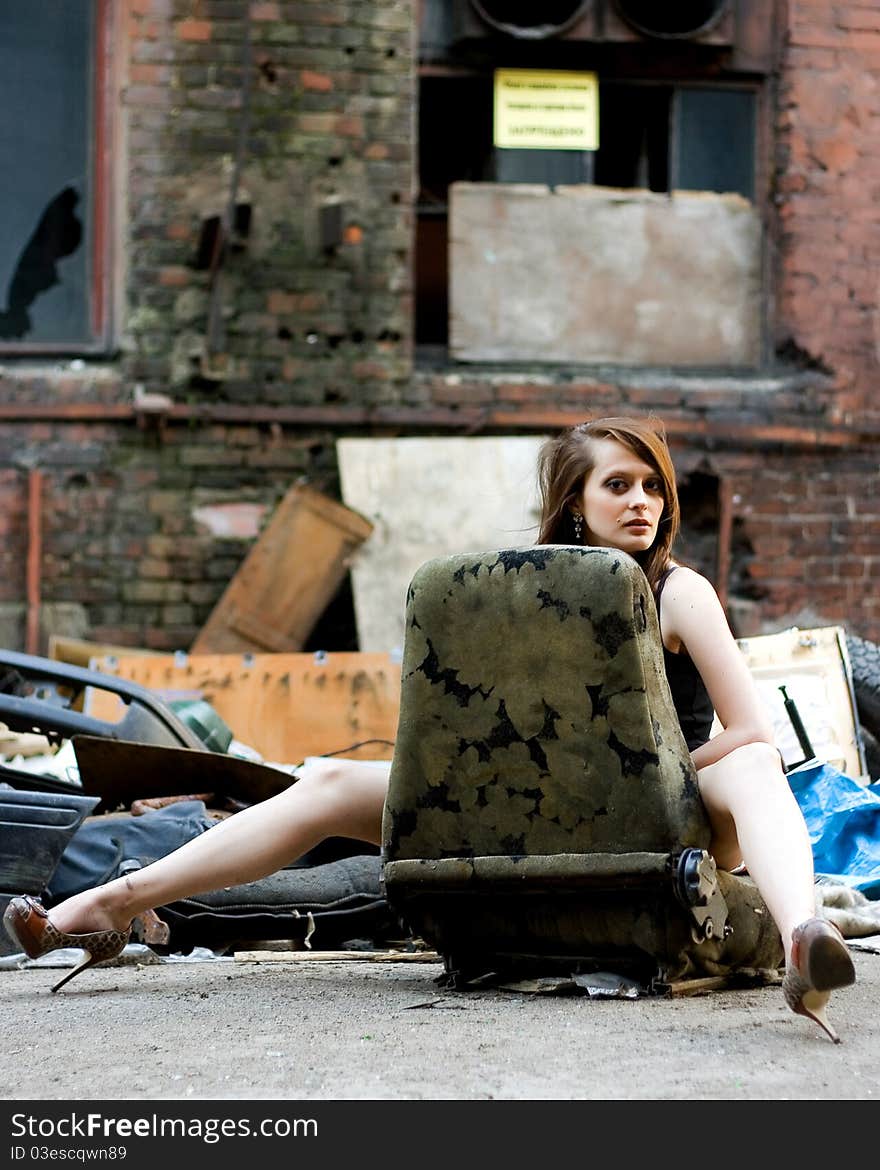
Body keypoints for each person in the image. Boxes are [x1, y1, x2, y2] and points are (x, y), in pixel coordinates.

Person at [4, 416, 855, 1041]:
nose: (642, 502)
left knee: (753, 770)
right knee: (331, 781)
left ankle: (799, 942)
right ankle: (105, 904)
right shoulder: (510, 596)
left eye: (653, 486)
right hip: (538, 811)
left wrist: (658, 772)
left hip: (674, 812)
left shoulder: (680, 592)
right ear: (573, 504)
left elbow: (749, 728)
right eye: (618, 485)